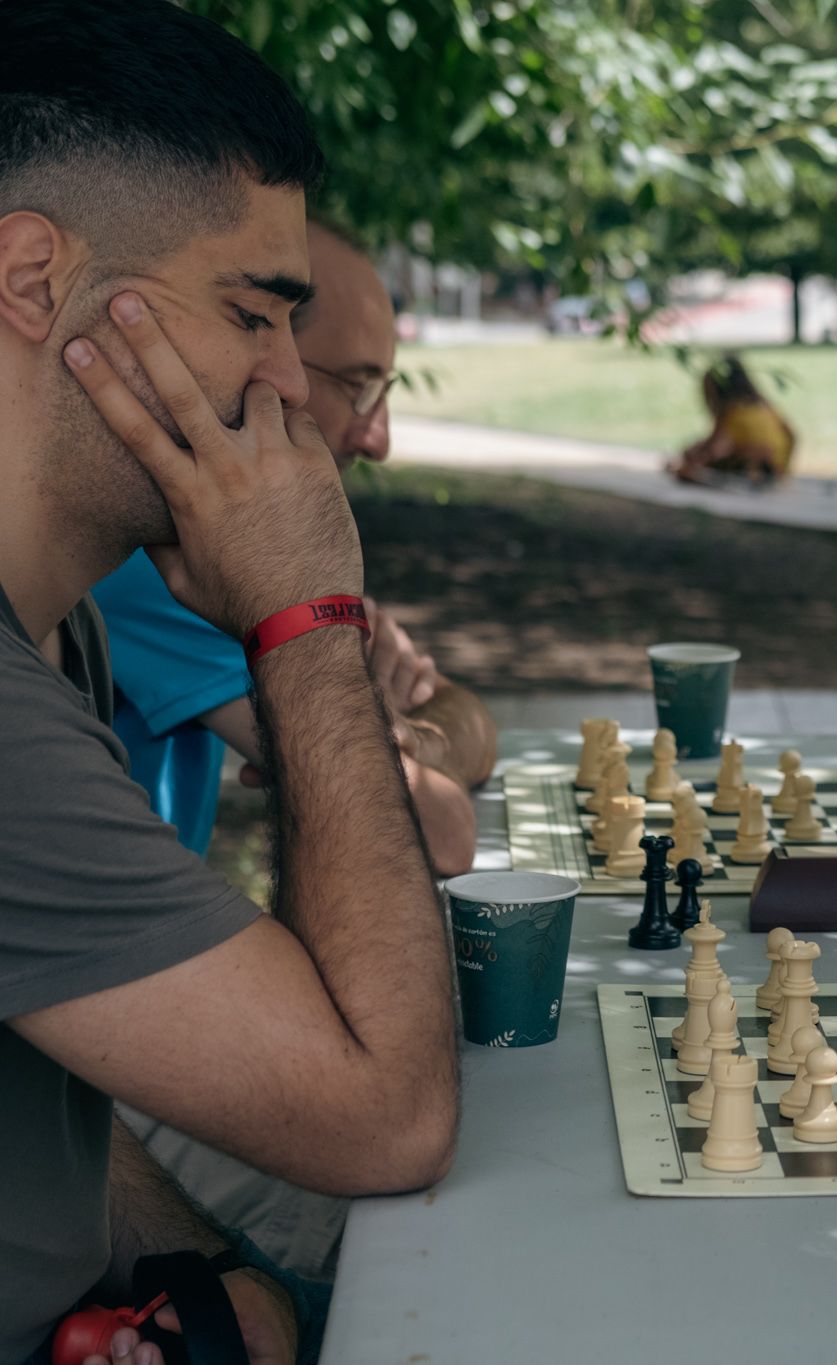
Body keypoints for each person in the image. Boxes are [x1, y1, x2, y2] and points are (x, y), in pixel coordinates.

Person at [0, 3, 459, 1359]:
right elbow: (388, 1117)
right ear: (32, 278)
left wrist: (206, 1272)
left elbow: (51, 1085)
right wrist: (304, 617)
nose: (289, 389)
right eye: (251, 315)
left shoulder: (61, 628)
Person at [93, 219, 498, 878]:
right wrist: (376, 735)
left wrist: (400, 739)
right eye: (357, 386)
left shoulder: (231, 543)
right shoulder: (153, 556)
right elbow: (440, 828)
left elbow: (470, 720)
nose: (378, 441)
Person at [667, 354, 796, 487]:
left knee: (693, 469)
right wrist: (783, 468)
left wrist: (689, 459)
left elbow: (712, 448)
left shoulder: (731, 411)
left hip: (755, 467)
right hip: (774, 468)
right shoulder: (764, 406)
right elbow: (792, 435)